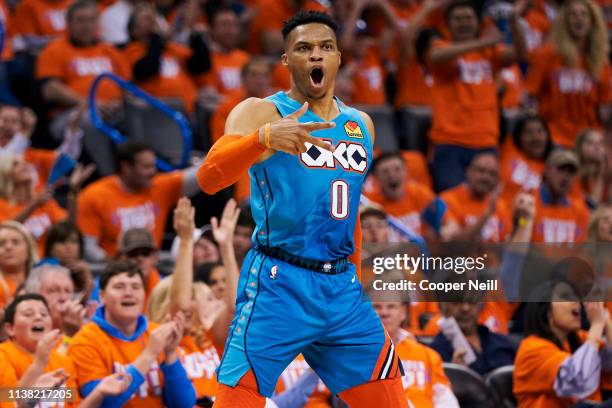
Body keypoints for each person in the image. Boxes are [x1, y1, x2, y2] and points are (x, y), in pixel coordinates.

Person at [197, 11, 407, 407]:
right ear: (287, 61)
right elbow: (209, 178)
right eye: (304, 49)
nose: (316, 56)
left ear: (339, 58)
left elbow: (350, 211)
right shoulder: (261, 112)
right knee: (237, 397)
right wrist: (262, 139)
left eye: (325, 47)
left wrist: (357, 279)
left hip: (341, 288)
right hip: (280, 282)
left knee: (391, 396)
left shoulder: (360, 124)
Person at [426, 0, 528, 192]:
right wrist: (485, 41)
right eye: (457, 19)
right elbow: (435, 57)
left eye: (468, 18)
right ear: (447, 25)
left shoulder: (489, 53)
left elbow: (520, 54)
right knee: (451, 201)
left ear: (478, 23)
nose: (464, 23)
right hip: (450, 141)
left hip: (486, 140)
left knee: (485, 204)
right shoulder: (441, 46)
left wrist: (514, 22)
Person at [68, 260, 197, 408]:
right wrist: (149, 355)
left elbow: (184, 404)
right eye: (119, 287)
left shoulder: (156, 333)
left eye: (136, 287)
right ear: (102, 296)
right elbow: (103, 404)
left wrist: (170, 354)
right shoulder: (85, 341)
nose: (129, 293)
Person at [76, 140, 200, 261]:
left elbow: (202, 173)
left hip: (152, 268)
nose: (153, 172)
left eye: (153, 165)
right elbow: (89, 249)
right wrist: (119, 264)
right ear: (126, 167)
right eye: (146, 166)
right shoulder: (94, 195)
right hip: (113, 272)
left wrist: (218, 150)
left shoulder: (159, 186)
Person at [524, 0, 610, 148]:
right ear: (565, 21)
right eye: (573, 15)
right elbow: (529, 96)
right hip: (554, 137)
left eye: (584, 15)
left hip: (588, 141)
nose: (579, 19)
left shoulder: (601, 63)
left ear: (592, 23)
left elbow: (605, 109)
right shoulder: (547, 54)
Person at [514, 283, 612, 407]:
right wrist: (597, 324)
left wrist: (605, 318)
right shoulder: (531, 349)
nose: (576, 301)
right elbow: (576, 382)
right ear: (547, 310)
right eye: (566, 296)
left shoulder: (579, 339)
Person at [369, 288, 459, 407]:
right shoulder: (355, 355)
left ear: (403, 313)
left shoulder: (427, 354)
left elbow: (445, 398)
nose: (384, 313)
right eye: (377, 307)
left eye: (391, 307)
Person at [0, 152, 93, 255]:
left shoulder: (43, 201)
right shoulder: (2, 204)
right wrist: (33, 205)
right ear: (5, 173)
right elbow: (6, 229)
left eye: (25, 162)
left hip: (48, 263)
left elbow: (68, 226)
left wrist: (73, 191)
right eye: (16, 164)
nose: (25, 165)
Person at [123, 2, 210, 112]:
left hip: (189, 108)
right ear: (134, 29)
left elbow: (201, 65)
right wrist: (156, 37)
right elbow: (147, 69)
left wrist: (194, 34)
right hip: (158, 114)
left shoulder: (170, 48)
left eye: (153, 17)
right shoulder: (132, 50)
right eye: (146, 18)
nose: (152, 21)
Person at [0, 293, 79, 406]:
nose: (38, 317)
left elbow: (73, 402)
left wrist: (99, 391)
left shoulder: (64, 362)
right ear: (10, 328)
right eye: (28, 314)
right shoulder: (2, 357)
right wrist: (39, 363)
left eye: (44, 314)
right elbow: (8, 400)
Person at [430, 294, 517, 375]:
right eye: (457, 302)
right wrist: (454, 375)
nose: (465, 308)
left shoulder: (505, 344)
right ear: (443, 307)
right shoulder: (434, 353)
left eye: (472, 301)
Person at [440, 153, 512, 243]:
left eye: (492, 174)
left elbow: (507, 243)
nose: (486, 177)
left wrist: (522, 222)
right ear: (468, 171)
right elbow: (454, 244)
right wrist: (486, 215)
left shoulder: (500, 205)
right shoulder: (448, 199)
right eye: (481, 171)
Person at [366, 152, 439, 241]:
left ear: (406, 172)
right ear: (376, 178)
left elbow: (446, 225)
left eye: (397, 169)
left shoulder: (419, 193)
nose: (392, 175)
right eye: (385, 171)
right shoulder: (370, 205)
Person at [532, 149, 590, 242]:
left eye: (571, 172)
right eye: (561, 169)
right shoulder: (529, 204)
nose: (566, 177)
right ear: (546, 170)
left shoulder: (581, 212)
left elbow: (581, 252)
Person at [499, 114, 554, 207]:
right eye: (528, 132)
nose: (535, 138)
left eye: (540, 132)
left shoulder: (553, 167)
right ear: (518, 137)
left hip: (531, 218)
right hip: (500, 215)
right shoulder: (508, 147)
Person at [24, 264, 86, 340]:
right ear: (33, 296)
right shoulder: (25, 334)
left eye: (68, 291)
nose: (63, 298)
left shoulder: (86, 332)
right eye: (53, 291)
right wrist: (70, 337)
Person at [0, 221, 38, 309]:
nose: (8, 247)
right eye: (1, 243)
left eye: (15, 242)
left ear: (28, 250)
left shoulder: (44, 282)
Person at [575, 128, 610, 208]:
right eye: (590, 143)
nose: (597, 147)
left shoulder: (609, 175)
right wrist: (601, 176)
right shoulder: (573, 174)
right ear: (580, 147)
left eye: (601, 143)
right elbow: (592, 207)